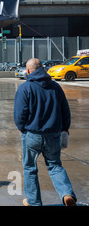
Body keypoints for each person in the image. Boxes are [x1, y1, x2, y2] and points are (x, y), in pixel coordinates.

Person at [14, 58, 77, 206]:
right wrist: (65, 128)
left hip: (32, 134)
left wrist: (22, 128)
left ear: (28, 71)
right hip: (53, 134)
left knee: (30, 168)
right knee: (55, 166)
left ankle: (33, 201)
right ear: (42, 68)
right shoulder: (55, 87)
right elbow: (65, 110)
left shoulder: (25, 88)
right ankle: (67, 194)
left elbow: (19, 114)